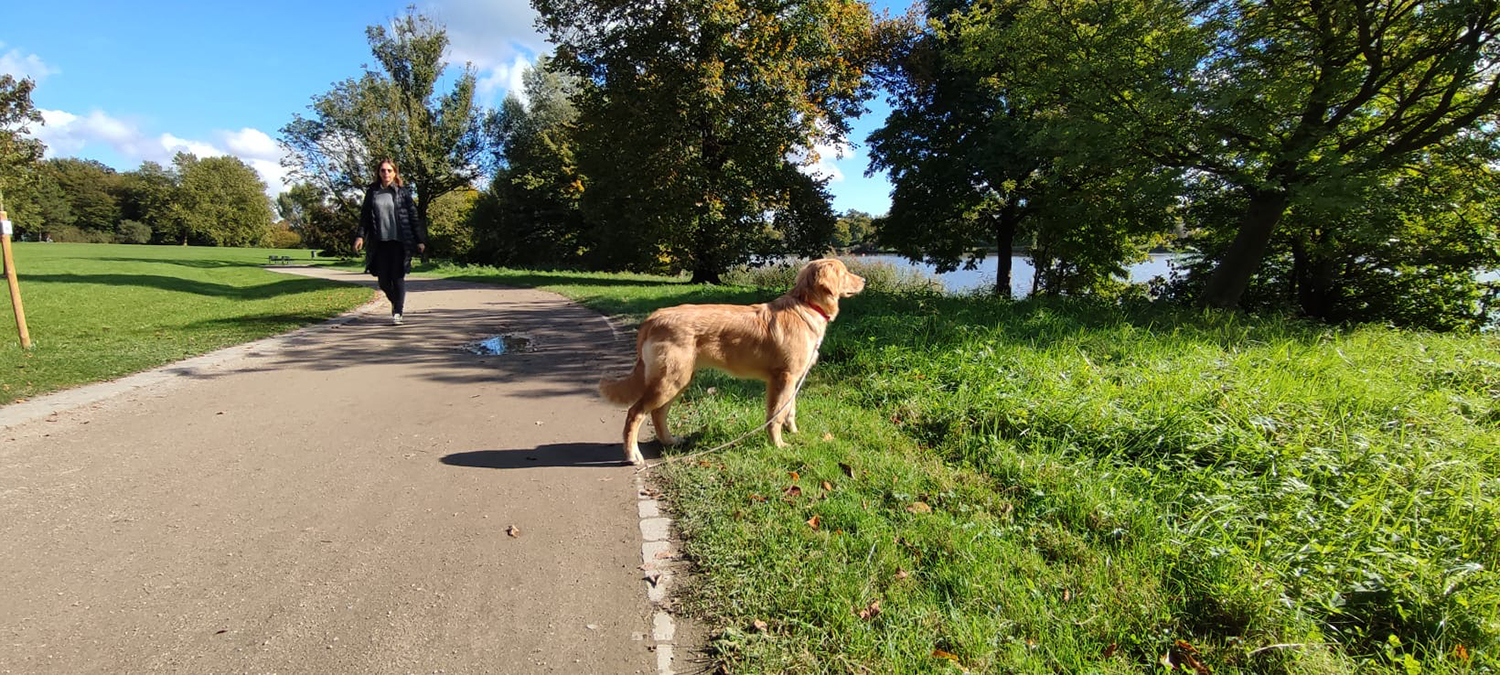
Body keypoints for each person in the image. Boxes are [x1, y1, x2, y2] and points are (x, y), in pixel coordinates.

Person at [353, 159, 426, 325]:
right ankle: (396, 302)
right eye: (383, 170)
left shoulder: (403, 192)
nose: (386, 173)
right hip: (380, 242)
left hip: (400, 242)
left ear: (394, 173)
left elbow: (413, 218)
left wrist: (419, 240)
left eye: (389, 170)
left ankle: (398, 312)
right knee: (383, 281)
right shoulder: (372, 192)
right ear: (378, 173)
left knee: (397, 276)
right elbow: (364, 217)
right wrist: (360, 236)